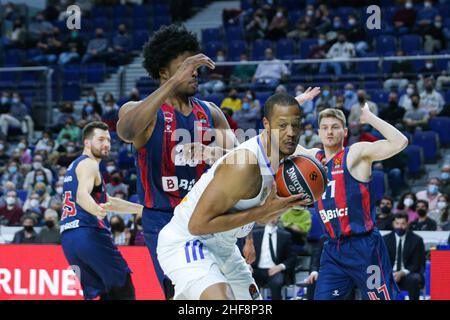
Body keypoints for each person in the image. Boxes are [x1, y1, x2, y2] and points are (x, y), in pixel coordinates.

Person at [115, 25, 244, 299]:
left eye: (195, 65)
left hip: (207, 216)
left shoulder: (211, 112)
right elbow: (126, 131)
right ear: (164, 72)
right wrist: (173, 83)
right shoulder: (140, 111)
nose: (194, 71)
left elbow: (239, 166)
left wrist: (214, 154)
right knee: (182, 294)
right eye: (185, 66)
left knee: (226, 295)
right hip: (162, 220)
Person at [157, 93, 311, 300]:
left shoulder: (278, 159)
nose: (291, 133)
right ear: (266, 124)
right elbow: (198, 225)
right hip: (189, 240)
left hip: (225, 247)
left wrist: (280, 206)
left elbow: (259, 218)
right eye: (282, 126)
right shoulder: (244, 163)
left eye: (296, 125)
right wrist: (264, 210)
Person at [295, 102, 409, 300]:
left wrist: (370, 118)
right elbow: (272, 141)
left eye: (335, 127)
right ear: (318, 132)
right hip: (332, 250)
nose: (329, 132)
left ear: (345, 131)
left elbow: (400, 142)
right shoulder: (312, 158)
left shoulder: (354, 154)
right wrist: (295, 104)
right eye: (324, 127)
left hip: (364, 246)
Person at [60, 121, 147, 300]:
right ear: (86, 142)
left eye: (108, 140)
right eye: (100, 139)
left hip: (69, 239)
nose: (106, 144)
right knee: (122, 286)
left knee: (102, 293)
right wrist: (96, 210)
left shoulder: (75, 165)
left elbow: (106, 200)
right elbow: (82, 196)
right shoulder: (90, 164)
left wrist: (144, 210)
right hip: (89, 233)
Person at [251, 218, 297, 300]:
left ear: (279, 218)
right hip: (257, 270)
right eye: (270, 216)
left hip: (276, 270)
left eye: (275, 216)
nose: (272, 218)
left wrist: (280, 267)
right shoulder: (255, 234)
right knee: (250, 284)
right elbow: (246, 253)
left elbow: (292, 257)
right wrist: (248, 265)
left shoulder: (285, 235)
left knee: (276, 283)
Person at [383, 213, 425, 300]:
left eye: (403, 224)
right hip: (390, 273)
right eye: (397, 223)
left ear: (407, 224)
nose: (400, 227)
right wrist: (391, 273)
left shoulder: (416, 240)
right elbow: (382, 261)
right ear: (393, 224)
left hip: (408, 273)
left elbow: (416, 263)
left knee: (415, 279)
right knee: (376, 279)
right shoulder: (385, 239)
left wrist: (402, 273)